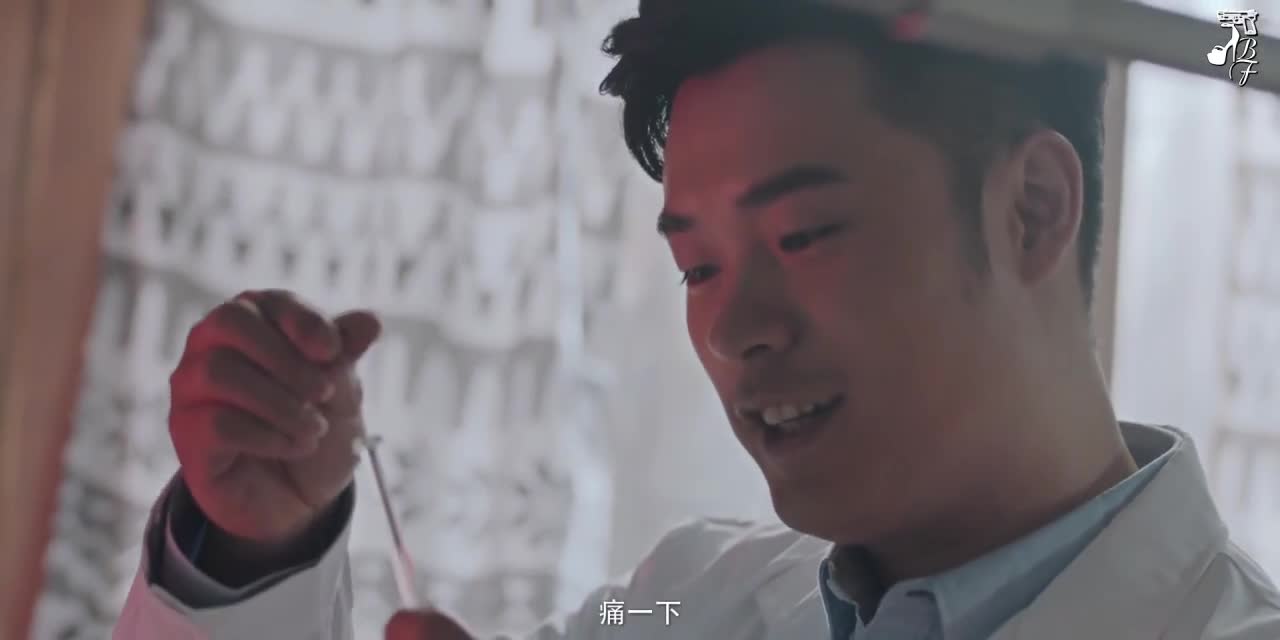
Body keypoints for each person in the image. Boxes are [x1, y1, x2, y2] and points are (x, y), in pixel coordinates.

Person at [113, 1, 1280, 639]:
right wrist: (251, 551)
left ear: (1031, 209)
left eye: (804, 234)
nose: (732, 328)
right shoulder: (682, 600)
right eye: (695, 266)